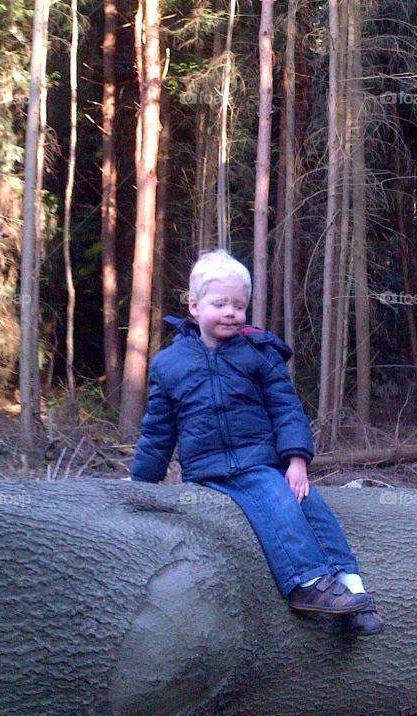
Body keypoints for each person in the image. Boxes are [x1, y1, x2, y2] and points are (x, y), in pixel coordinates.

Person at [129, 249, 384, 635]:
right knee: (274, 495)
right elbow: (156, 434)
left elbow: (286, 409)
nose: (231, 312)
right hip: (213, 469)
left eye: (239, 305)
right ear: (195, 307)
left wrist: (296, 461)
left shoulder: (259, 352)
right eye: (220, 304)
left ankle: (351, 587)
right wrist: (140, 486)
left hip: (261, 458)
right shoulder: (169, 364)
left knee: (311, 505)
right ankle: (307, 583)